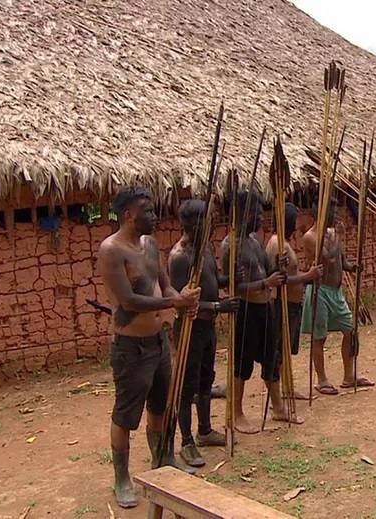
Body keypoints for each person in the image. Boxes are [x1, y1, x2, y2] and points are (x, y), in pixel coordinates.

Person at [96, 187, 201, 508]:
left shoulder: (151, 244)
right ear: (129, 215)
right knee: (126, 415)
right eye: (148, 211)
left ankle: (163, 458)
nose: (155, 216)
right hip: (131, 348)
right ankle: (122, 479)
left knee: (160, 405)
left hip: (158, 342)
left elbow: (164, 283)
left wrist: (183, 301)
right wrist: (174, 301)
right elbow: (128, 300)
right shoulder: (112, 250)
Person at [167, 200, 239, 467]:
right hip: (190, 328)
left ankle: (205, 430)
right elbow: (180, 300)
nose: (211, 225)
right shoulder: (180, 257)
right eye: (206, 221)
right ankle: (186, 441)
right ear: (191, 224)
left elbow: (213, 280)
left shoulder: (205, 248)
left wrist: (231, 278)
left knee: (206, 382)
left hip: (208, 327)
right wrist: (219, 305)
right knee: (187, 388)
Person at [220, 190, 293, 433]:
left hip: (266, 309)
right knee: (242, 363)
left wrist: (278, 266)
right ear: (241, 213)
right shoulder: (230, 245)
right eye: (256, 213)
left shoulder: (254, 241)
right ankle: (236, 413)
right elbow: (235, 286)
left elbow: (268, 270)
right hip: (246, 311)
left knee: (271, 358)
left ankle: (278, 409)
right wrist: (266, 283)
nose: (261, 218)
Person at [301, 197, 373, 393]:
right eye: (332, 212)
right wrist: (339, 236)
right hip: (320, 291)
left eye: (336, 212)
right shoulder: (311, 236)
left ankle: (349, 376)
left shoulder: (332, 234)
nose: (335, 216)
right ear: (319, 214)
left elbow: (341, 260)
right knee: (319, 337)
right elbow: (329, 259)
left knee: (351, 330)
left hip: (336, 292)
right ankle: (321, 379)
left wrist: (353, 267)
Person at [264, 202, 323, 403]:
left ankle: (287, 388)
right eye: (294, 221)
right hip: (282, 304)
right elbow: (282, 278)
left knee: (286, 350)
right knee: (279, 350)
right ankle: (278, 394)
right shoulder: (277, 244)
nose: (296, 224)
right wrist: (309, 276)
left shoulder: (284, 244)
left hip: (292, 304)